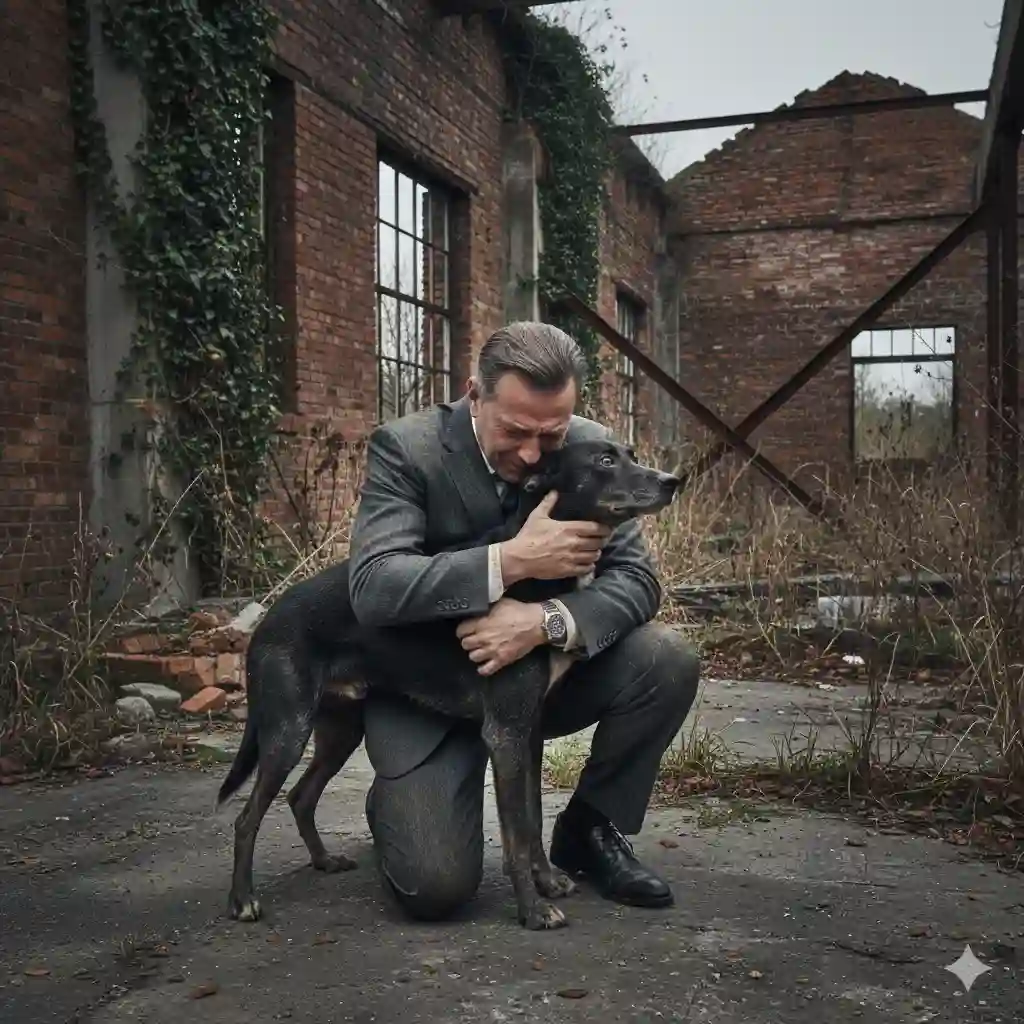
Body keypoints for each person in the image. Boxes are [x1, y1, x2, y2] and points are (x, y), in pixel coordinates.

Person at [347, 321, 700, 920]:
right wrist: (508, 562)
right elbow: (373, 586)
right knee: (434, 887)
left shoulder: (594, 449)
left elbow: (637, 582)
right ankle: (402, 807)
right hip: (425, 693)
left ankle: (588, 828)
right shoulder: (407, 449)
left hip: (533, 683)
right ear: (474, 395)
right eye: (514, 430)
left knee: (666, 658)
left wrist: (545, 621)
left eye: (551, 433)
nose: (535, 453)